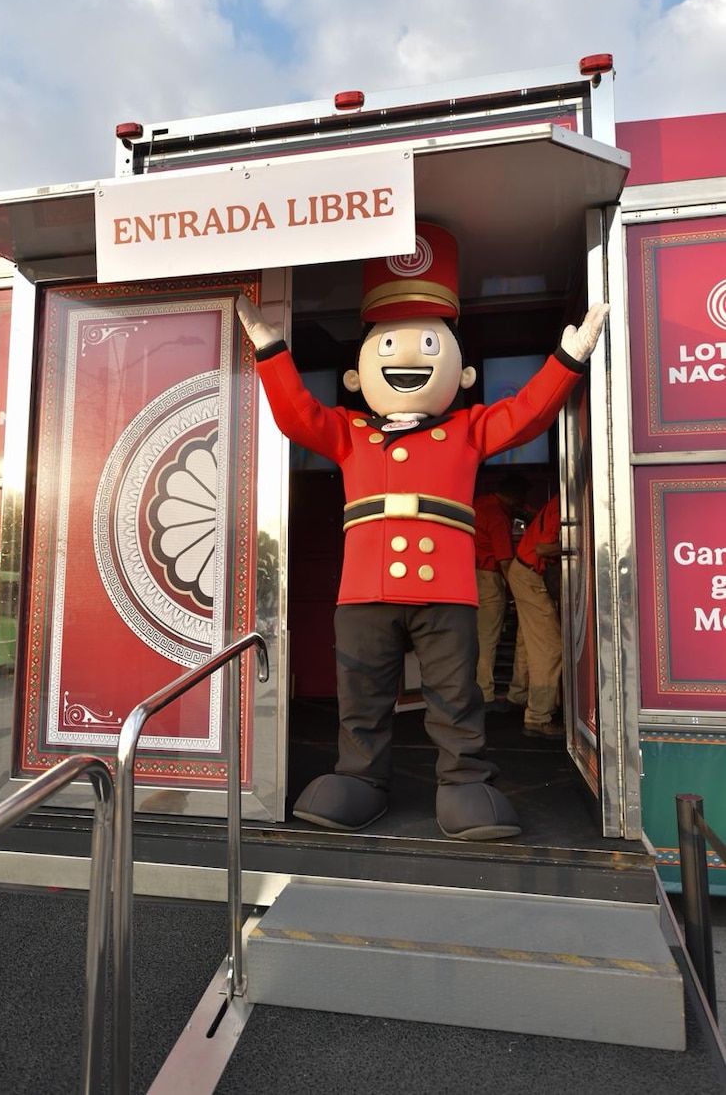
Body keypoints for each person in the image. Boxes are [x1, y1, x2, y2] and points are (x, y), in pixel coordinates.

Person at [237, 220, 608, 840]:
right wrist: (273, 353)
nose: (406, 359)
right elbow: (296, 415)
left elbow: (527, 414)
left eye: (428, 347)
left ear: (463, 375)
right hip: (363, 592)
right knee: (361, 696)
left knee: (454, 695)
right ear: (357, 376)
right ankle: (359, 778)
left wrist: (566, 360)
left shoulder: (467, 428)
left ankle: (466, 781)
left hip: (447, 591)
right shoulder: (350, 432)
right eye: (388, 347)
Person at [506, 494, 564, 739]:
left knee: (529, 643)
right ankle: (538, 717)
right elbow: (542, 548)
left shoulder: (559, 500)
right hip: (530, 576)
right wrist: (581, 542)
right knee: (549, 648)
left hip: (524, 572)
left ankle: (519, 696)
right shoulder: (566, 502)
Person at [473, 473, 529, 711]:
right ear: (516, 496)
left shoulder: (478, 504)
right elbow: (505, 560)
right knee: (487, 639)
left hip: (466, 576)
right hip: (488, 578)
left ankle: (472, 690)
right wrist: (518, 593)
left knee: (471, 638)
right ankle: (484, 694)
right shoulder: (498, 517)